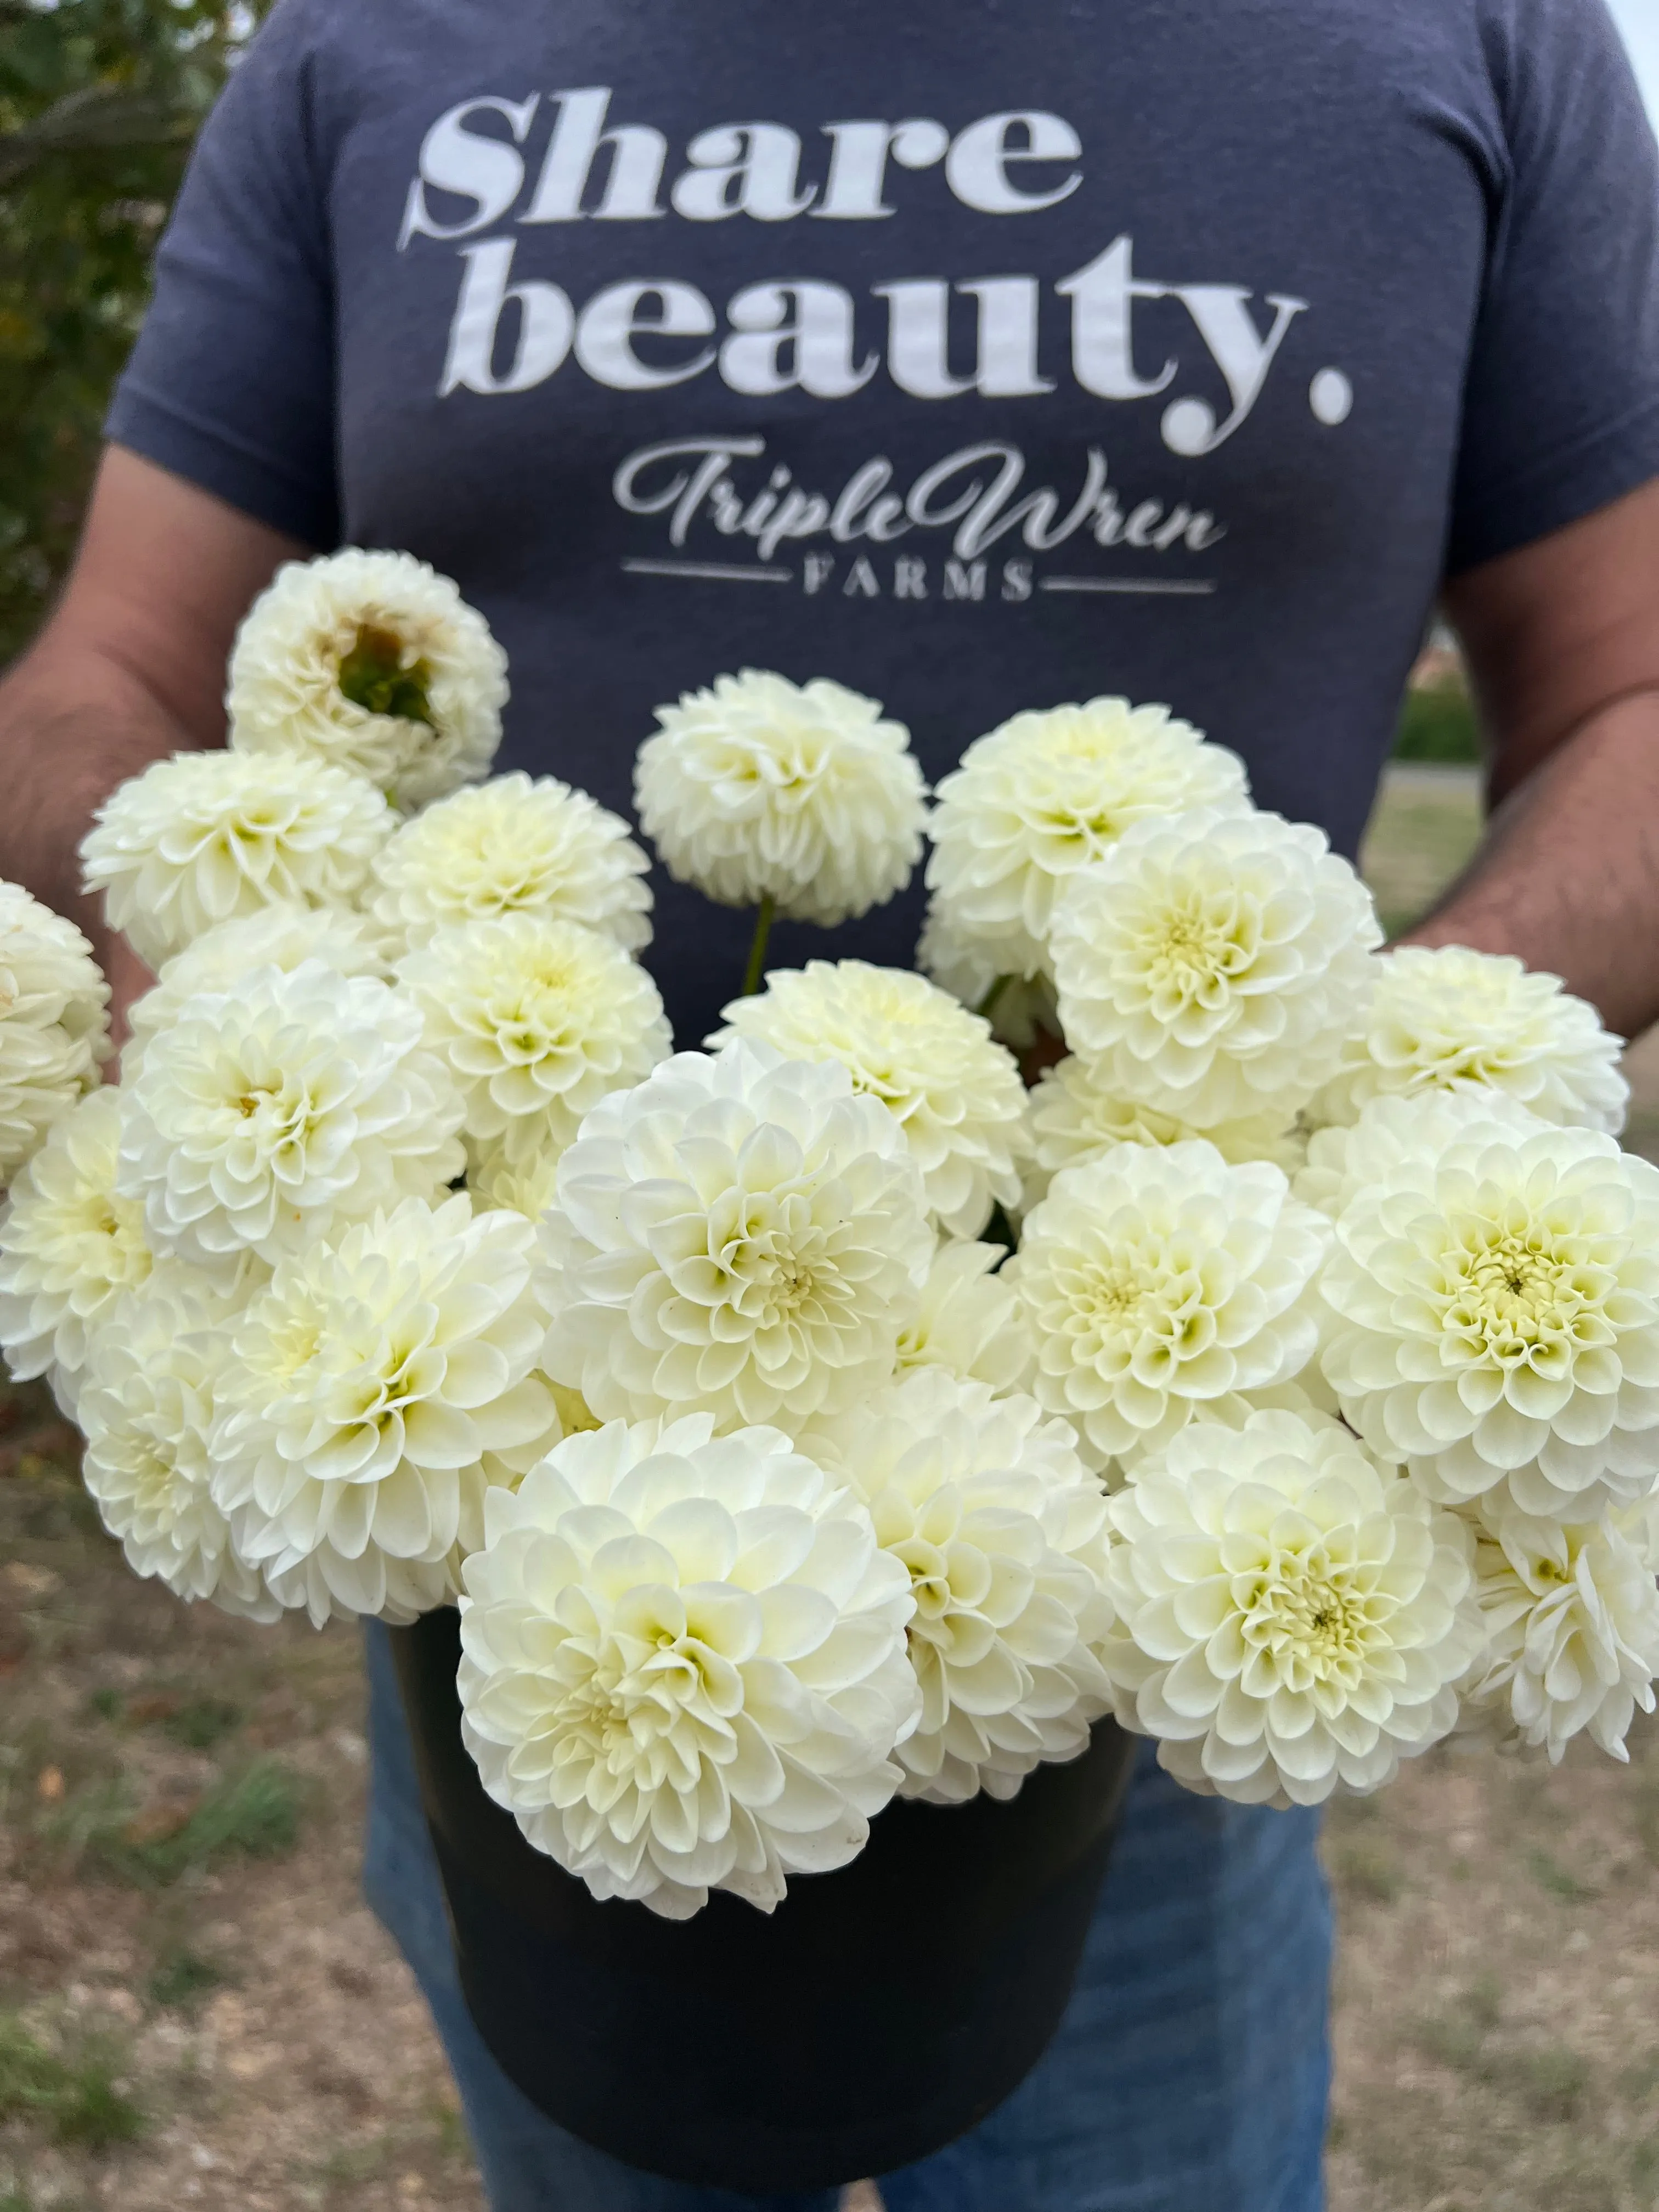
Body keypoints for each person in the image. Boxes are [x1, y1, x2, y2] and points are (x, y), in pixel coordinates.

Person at [5, 1, 1659, 2204]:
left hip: (1141, 1571)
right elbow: (108, 672)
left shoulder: (1471, 33)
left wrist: (1360, 1102)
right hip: (503, 1496)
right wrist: (217, 1022)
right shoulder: (362, 44)